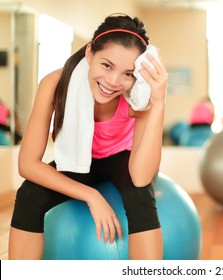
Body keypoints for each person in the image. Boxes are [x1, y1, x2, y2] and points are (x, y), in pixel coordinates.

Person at [8, 14, 168, 260]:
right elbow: (27, 165)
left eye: (128, 73)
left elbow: (140, 176)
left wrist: (158, 104)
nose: (113, 82)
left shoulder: (139, 96)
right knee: (29, 194)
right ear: (90, 53)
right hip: (79, 161)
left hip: (124, 159)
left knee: (140, 195)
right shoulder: (54, 84)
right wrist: (92, 196)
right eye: (106, 65)